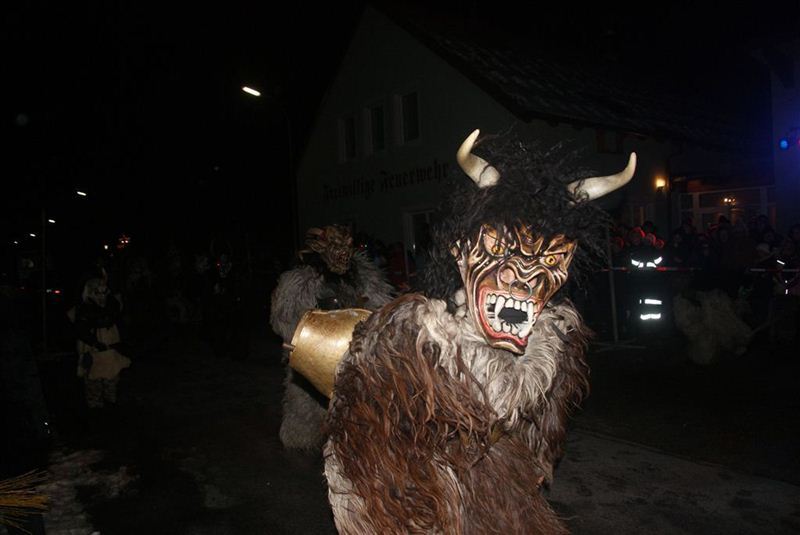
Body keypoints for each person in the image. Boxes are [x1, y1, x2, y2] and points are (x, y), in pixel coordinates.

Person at [324, 129, 635, 532]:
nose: (520, 277)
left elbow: (540, 435)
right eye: (498, 248)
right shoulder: (407, 341)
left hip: (497, 496)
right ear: (461, 253)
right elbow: (367, 444)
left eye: (548, 258)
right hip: (418, 501)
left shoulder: (554, 345)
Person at [269, 224, 394, 450]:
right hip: (317, 352)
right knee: (312, 408)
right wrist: (303, 339)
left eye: (346, 247)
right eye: (336, 247)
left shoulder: (364, 277)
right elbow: (284, 319)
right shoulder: (302, 281)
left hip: (356, 353)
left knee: (356, 411)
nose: (342, 254)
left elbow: (378, 309)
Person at [73, 276, 130, 411]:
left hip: (110, 347)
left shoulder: (112, 304)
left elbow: (115, 317)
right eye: (97, 292)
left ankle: (110, 403)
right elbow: (82, 330)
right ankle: (96, 407)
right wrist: (95, 343)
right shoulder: (84, 308)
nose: (101, 296)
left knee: (112, 376)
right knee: (93, 378)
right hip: (93, 348)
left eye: (104, 292)